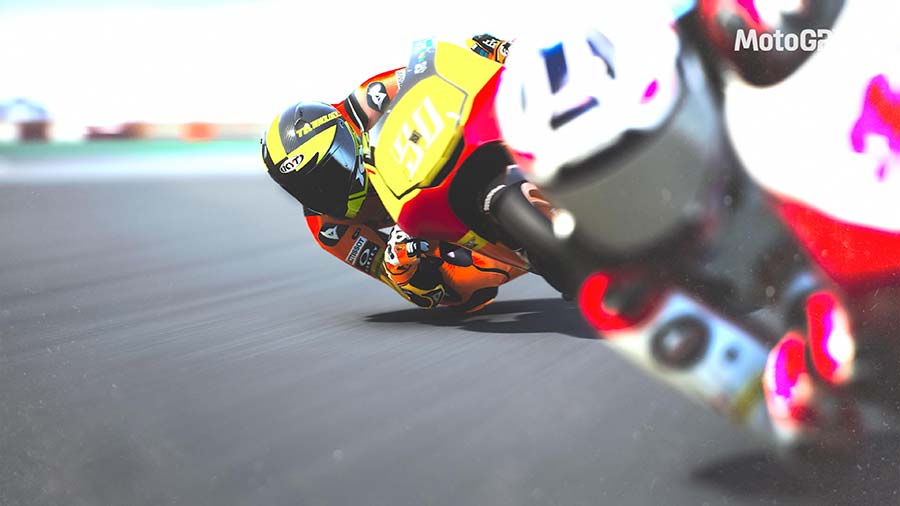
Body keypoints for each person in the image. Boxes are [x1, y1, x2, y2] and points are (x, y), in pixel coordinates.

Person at [260, 34, 521, 313]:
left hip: (446, 147)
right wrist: (400, 267)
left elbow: (436, 72)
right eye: (305, 188)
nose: (324, 192)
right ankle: (538, 253)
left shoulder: (369, 99)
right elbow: (424, 295)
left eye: (331, 170)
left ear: (345, 136)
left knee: (492, 55)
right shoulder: (329, 230)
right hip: (428, 222)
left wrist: (487, 59)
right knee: (463, 291)